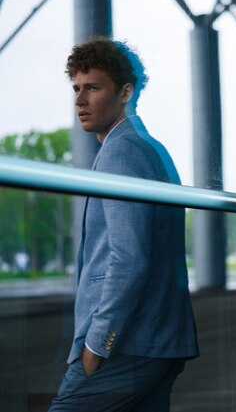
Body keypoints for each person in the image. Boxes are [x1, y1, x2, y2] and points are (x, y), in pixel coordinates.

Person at [49, 37, 198, 412]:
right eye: (77, 89)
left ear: (125, 92)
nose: (80, 100)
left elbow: (128, 258)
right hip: (158, 341)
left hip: (127, 346)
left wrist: (98, 343)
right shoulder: (150, 148)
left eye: (93, 88)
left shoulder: (122, 153)